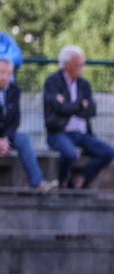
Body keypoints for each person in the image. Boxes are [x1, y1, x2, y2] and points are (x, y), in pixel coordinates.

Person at [43, 45, 114, 189]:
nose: (82, 66)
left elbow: (92, 110)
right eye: (79, 63)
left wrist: (68, 106)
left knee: (109, 152)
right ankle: (63, 182)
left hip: (82, 134)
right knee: (69, 153)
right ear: (67, 65)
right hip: (58, 132)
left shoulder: (84, 84)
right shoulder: (52, 81)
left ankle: (82, 177)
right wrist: (80, 105)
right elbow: (57, 108)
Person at [0, 57, 58, 193]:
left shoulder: (14, 91)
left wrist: (5, 139)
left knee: (23, 139)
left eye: (8, 73)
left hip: (6, 136)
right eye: (1, 72)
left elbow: (15, 120)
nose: (4, 77)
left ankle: (38, 183)